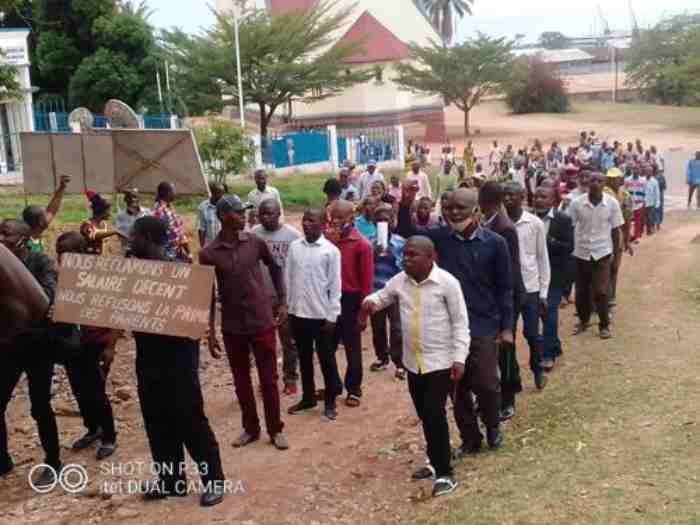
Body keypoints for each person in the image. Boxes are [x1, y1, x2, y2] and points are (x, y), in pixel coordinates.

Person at [397, 188, 513, 456]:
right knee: (456, 388)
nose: (454, 213)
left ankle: (493, 426)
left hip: (483, 323)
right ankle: (470, 438)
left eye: (460, 208)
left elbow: (505, 287)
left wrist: (506, 327)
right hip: (445, 327)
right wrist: (405, 203)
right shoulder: (439, 239)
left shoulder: (495, 243)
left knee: (486, 382)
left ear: (476, 210)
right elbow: (406, 230)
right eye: (449, 208)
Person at [361, 236, 469, 498]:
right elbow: (383, 296)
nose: (406, 259)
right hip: (413, 363)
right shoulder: (400, 280)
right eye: (405, 254)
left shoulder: (447, 284)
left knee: (434, 413)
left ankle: (445, 474)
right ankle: (435, 461)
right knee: (425, 415)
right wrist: (370, 302)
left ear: (430, 258)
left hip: (440, 362)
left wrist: (459, 358)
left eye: (412, 255)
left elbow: (460, 323)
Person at [129, 217, 226, 507]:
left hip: (178, 360)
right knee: (156, 421)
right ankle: (172, 480)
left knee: (190, 420)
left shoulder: (180, 270)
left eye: (134, 236)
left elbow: (205, 296)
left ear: (147, 237)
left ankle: (215, 481)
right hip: (148, 357)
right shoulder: (132, 272)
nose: (130, 240)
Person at [200, 195, 289, 450]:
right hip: (233, 326)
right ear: (225, 217)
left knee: (269, 379)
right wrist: (211, 330)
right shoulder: (208, 253)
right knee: (241, 380)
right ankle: (251, 429)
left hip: (261, 321)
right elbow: (207, 292)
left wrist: (282, 302)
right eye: (239, 213)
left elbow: (276, 268)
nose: (245, 216)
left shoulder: (255, 242)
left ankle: (275, 429)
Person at [0, 219, 60, 487]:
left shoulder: (41, 263)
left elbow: (48, 298)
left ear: (23, 239)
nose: (1, 237)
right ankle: (2, 460)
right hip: (9, 346)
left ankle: (53, 461)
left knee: (40, 406)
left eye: (6, 233)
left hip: (37, 345)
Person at [57, 232, 118, 461]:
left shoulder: (98, 278)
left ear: (81, 253)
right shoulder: (61, 278)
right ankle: (93, 429)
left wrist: (110, 346)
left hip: (95, 343)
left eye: (67, 253)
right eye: (59, 253)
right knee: (79, 390)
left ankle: (109, 436)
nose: (62, 258)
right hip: (72, 344)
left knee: (96, 392)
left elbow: (117, 313)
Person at [285, 209, 343, 420]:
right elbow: (288, 279)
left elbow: (335, 287)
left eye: (312, 220)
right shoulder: (294, 247)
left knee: (326, 359)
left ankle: (330, 402)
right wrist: (289, 309)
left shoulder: (331, 251)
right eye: (304, 220)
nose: (306, 224)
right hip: (298, 314)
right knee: (304, 357)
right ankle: (308, 397)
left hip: (321, 316)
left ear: (322, 224)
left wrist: (332, 316)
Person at [478, 181, 523, 420]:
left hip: (507, 297)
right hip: (493, 297)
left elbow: (510, 270)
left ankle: (508, 399)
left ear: (484, 202)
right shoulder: (488, 222)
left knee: (505, 350)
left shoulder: (504, 228)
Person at [503, 182, 551, 390]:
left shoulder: (534, 223)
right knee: (507, 338)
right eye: (505, 196)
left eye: (512, 195)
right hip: (507, 290)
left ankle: (537, 369)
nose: (507, 199)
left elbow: (542, 258)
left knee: (532, 334)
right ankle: (513, 380)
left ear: (522, 196)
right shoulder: (498, 225)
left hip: (531, 288)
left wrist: (543, 292)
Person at [252, 200, 302, 396]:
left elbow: (299, 268)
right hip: (261, 297)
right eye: (262, 214)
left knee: (288, 341)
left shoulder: (293, 236)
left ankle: (290, 378)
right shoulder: (253, 234)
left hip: (285, 298)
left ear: (279, 213)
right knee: (264, 342)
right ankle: (268, 379)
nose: (265, 218)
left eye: (270, 214)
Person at [326, 200, 374, 407]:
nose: (335, 223)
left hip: (351, 299)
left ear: (351, 219)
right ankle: (333, 385)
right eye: (332, 218)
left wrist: (363, 314)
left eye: (340, 219)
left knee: (352, 347)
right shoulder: (327, 241)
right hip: (329, 298)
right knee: (327, 345)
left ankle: (354, 388)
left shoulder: (361, 244)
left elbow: (366, 282)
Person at [568, 172, 624, 340]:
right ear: (588, 183)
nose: (595, 183)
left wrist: (615, 253)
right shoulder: (576, 204)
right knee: (582, 291)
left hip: (602, 252)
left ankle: (604, 324)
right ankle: (584, 321)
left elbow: (615, 230)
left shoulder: (612, 204)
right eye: (593, 180)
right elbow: (570, 227)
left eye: (599, 180)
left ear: (604, 183)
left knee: (601, 291)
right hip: (581, 253)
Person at [533, 186, 574, 370]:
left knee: (549, 313)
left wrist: (551, 243)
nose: (539, 200)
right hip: (533, 275)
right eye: (536, 196)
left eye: (543, 196)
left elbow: (569, 247)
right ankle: (554, 345)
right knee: (539, 315)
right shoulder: (527, 219)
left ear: (553, 200)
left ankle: (548, 354)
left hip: (555, 276)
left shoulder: (562, 220)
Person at [368, 203, 406, 379]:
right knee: (378, 328)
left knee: (397, 328)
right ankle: (382, 357)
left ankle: (400, 363)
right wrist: (372, 255)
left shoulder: (400, 242)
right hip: (376, 291)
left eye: (387, 219)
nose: (383, 222)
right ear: (375, 223)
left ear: (393, 221)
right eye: (380, 220)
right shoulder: (369, 243)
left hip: (396, 292)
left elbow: (406, 269)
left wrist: (394, 258)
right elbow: (366, 269)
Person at [604, 168, 633, 308]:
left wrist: (627, 240)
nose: (614, 181)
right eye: (611, 178)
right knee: (603, 268)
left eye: (617, 178)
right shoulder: (602, 193)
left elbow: (627, 220)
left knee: (614, 267)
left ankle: (611, 295)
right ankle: (603, 296)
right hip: (603, 235)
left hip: (618, 235)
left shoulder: (625, 195)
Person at [22, 175, 70, 254]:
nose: (49, 214)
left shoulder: (32, 235)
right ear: (41, 222)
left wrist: (61, 188)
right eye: (45, 214)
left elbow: (52, 209)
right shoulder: (27, 247)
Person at [152, 182, 191, 262]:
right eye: (173, 191)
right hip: (168, 256)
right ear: (165, 193)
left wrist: (188, 252)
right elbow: (174, 234)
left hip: (175, 253)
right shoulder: (160, 211)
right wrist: (188, 252)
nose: (175, 193)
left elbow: (179, 233)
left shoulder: (169, 207)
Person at [115, 188, 147, 253]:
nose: (132, 199)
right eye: (129, 197)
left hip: (145, 250)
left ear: (139, 199)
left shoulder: (146, 213)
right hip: (129, 251)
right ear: (125, 200)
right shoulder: (121, 216)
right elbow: (122, 236)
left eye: (135, 197)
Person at [197, 182, 226, 248]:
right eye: (219, 193)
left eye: (223, 193)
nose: (222, 196)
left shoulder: (226, 206)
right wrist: (202, 246)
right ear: (212, 193)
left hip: (224, 245)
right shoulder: (203, 207)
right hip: (210, 245)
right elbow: (201, 228)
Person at [624, 165, 646, 243]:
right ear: (632, 170)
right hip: (629, 204)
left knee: (638, 221)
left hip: (639, 204)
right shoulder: (627, 180)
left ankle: (636, 237)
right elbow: (625, 192)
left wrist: (643, 201)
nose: (635, 171)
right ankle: (629, 236)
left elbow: (645, 191)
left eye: (637, 169)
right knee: (628, 221)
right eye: (634, 169)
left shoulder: (643, 180)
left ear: (639, 171)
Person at [643, 164, 660, 236]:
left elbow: (657, 193)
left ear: (652, 172)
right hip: (643, 202)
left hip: (651, 202)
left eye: (650, 171)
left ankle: (649, 230)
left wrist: (657, 202)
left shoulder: (654, 181)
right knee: (645, 217)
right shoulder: (642, 180)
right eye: (647, 171)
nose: (648, 173)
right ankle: (648, 229)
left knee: (650, 217)